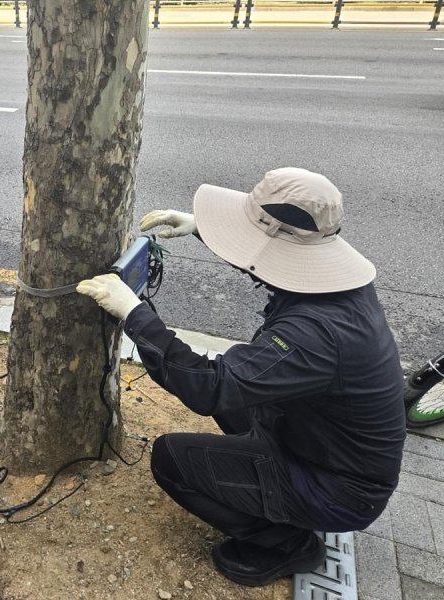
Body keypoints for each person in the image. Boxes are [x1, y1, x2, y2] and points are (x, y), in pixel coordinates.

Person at [77, 168, 405, 587]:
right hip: (321, 443)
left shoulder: (315, 335)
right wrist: (200, 230)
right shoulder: (335, 284)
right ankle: (271, 489)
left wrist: (135, 315)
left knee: (172, 458)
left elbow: (209, 388)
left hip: (338, 489)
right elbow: (274, 259)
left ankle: (288, 545)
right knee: (242, 392)